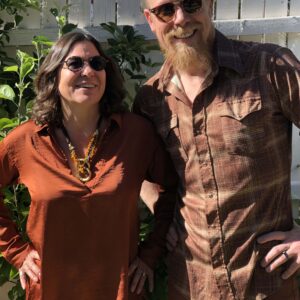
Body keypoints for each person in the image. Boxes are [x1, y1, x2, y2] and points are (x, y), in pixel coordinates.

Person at [133, 0, 300, 299]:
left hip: (265, 283)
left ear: (209, 4)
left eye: (191, 4)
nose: (181, 19)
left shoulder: (269, 67)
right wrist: (162, 210)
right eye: (166, 10)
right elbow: (137, 169)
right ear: (150, 19)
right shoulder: (151, 99)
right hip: (192, 285)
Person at [0, 31, 178, 300]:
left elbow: (173, 189)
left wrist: (151, 253)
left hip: (120, 291)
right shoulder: (26, 141)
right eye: (75, 64)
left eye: (97, 64)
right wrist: (17, 252)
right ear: (53, 73)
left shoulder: (136, 134)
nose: (88, 71)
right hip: (51, 290)